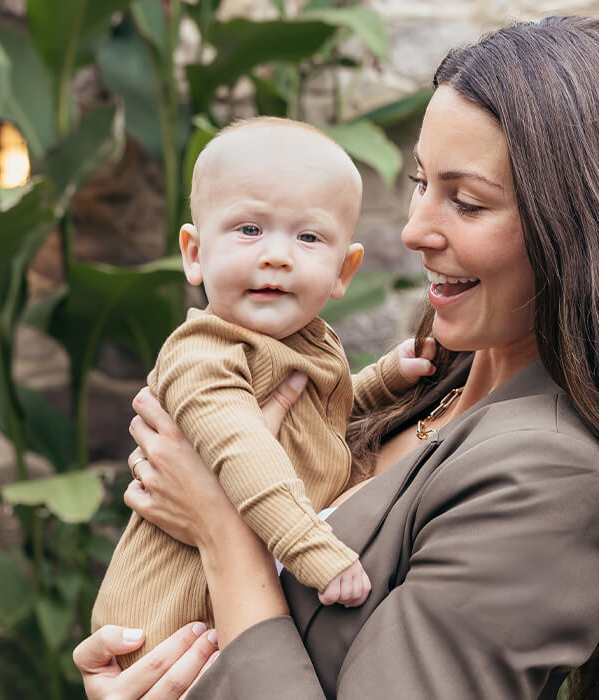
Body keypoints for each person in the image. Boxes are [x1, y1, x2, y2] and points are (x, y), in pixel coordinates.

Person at [77, 16, 599, 699]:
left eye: (468, 203)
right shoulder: (434, 380)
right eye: (423, 183)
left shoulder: (551, 476)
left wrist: (222, 530)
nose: (416, 229)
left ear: (582, 233)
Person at [90, 117, 438, 667]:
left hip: (230, 613)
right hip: (170, 620)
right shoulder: (204, 353)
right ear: (195, 252)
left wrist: (385, 379)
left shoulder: (306, 341)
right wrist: (312, 549)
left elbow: (321, 410)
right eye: (249, 230)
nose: (277, 255)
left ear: (343, 271)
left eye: (308, 237)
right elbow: (245, 454)